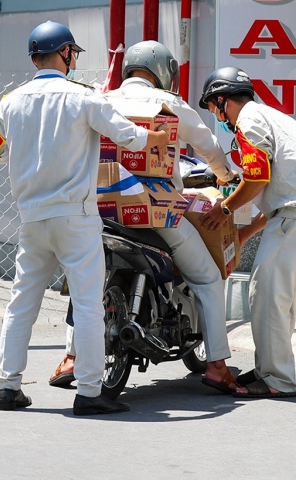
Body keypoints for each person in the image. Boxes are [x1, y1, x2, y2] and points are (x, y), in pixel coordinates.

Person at [0, 22, 169, 415]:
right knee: (88, 304)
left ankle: (9, 387)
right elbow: (127, 136)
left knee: (21, 302)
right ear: (66, 53)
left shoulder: (9, 102)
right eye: (73, 53)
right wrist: (155, 139)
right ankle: (89, 393)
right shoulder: (83, 97)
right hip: (75, 216)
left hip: (31, 218)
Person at [48, 41, 241, 395]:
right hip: (156, 214)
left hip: (99, 207)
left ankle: (72, 358)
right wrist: (226, 176)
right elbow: (208, 147)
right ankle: (216, 365)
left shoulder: (102, 100)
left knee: (85, 276)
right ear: (164, 71)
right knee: (209, 279)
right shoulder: (171, 105)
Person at [198, 67, 296, 399]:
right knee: (283, 297)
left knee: (265, 291)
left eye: (212, 110)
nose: (216, 119)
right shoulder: (272, 118)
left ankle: (276, 378)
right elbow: (276, 187)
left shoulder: (248, 121)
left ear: (222, 101)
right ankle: (270, 367)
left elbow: (257, 179)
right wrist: (247, 232)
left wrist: (223, 209)